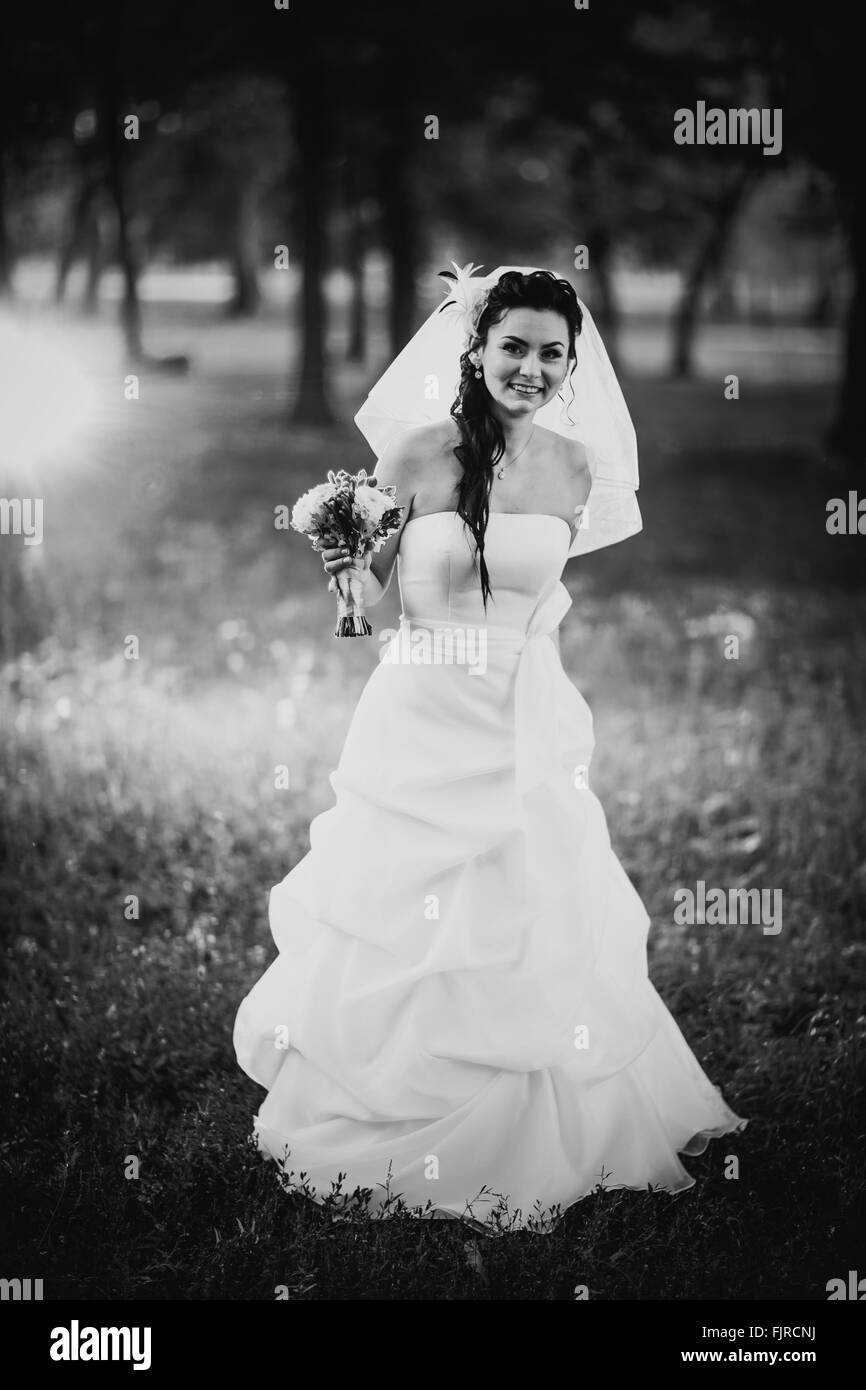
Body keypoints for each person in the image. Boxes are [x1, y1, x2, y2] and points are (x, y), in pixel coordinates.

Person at [233, 265, 746, 1234]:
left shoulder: (572, 466)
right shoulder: (417, 454)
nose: (530, 366)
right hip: (422, 711)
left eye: (551, 351)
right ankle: (393, 1101)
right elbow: (371, 608)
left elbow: (537, 593)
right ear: (474, 346)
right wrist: (348, 572)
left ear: (569, 363)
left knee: (527, 904)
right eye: (512, 344)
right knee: (406, 915)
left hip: (518, 715)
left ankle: (536, 1122)